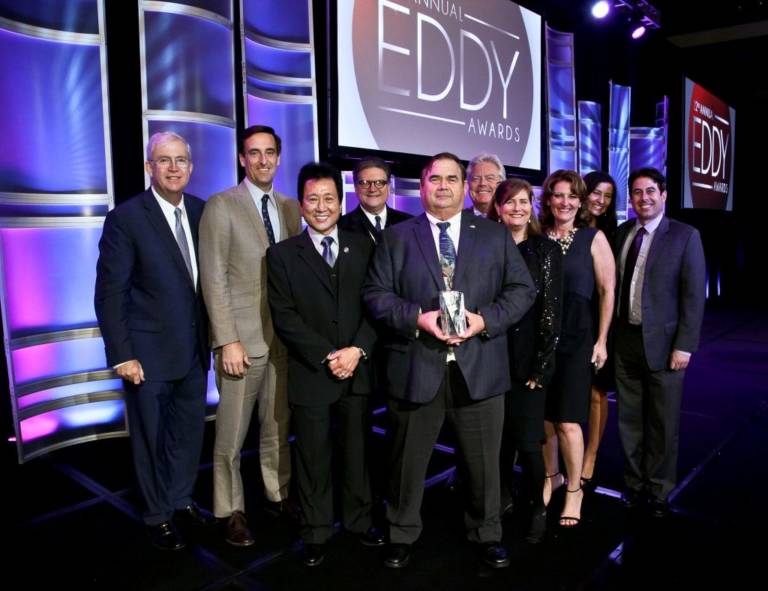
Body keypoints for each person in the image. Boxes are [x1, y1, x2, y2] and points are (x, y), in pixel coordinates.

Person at [364, 153, 536, 569]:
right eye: (435, 178)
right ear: (422, 186)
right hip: (417, 365)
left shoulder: (495, 236)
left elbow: (522, 290)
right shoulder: (397, 236)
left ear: (465, 186)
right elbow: (376, 295)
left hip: (479, 366)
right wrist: (417, 319)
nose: (443, 186)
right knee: (406, 462)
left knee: (484, 465)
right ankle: (401, 533)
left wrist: (484, 321)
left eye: (452, 179)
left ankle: (487, 533)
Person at [95, 131, 213, 550]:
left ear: (191, 167)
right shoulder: (126, 218)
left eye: (181, 160)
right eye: (164, 160)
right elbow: (111, 293)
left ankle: (180, 500)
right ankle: (157, 515)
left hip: (195, 353)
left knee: (188, 437)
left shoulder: (202, 212)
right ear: (150, 167)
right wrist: (122, 354)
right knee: (149, 441)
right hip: (146, 356)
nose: (174, 167)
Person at [267, 162, 383, 567]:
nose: (321, 207)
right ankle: (316, 530)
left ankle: (358, 521)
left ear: (341, 201)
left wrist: (356, 351)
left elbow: (376, 308)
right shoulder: (281, 255)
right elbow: (284, 317)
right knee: (312, 456)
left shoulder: (364, 246)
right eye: (313, 199)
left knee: (357, 451)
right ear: (301, 205)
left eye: (329, 199)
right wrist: (328, 355)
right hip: (311, 371)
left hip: (358, 368)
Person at [199, 125, 301, 546]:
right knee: (231, 432)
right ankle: (230, 510)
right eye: (254, 153)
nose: (262, 160)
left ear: (279, 157)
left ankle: (277, 496)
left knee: (278, 425)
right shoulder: (222, 205)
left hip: (284, 340)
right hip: (241, 341)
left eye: (270, 152)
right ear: (243, 159)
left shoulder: (292, 208)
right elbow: (213, 277)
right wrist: (226, 340)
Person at [615, 167, 706, 517]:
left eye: (650, 191)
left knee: (663, 423)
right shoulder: (623, 232)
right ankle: (634, 485)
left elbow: (694, 296)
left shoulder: (685, 236)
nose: (644, 198)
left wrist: (685, 345)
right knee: (629, 421)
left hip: (667, 346)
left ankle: (659, 489)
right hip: (626, 341)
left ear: (663, 194)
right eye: (637, 192)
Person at [538, 170, 615, 528]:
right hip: (541, 341)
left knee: (568, 419)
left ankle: (574, 490)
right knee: (545, 419)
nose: (565, 202)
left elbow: (607, 291)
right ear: (549, 199)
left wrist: (601, 340)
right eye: (558, 195)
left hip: (579, 340)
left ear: (581, 202)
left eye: (572, 196)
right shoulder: (539, 236)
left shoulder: (593, 237)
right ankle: (550, 476)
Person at [488, 179, 563, 543]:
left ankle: (538, 506)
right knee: (497, 441)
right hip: (489, 358)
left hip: (529, 362)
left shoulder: (545, 250)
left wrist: (542, 365)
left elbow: (551, 312)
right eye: (509, 202)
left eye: (524, 201)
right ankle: (502, 502)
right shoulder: (485, 245)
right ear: (497, 207)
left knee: (529, 442)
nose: (517, 208)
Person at [581, 171, 619, 492]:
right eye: (596, 192)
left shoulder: (614, 234)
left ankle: (590, 456)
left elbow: (609, 289)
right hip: (570, 320)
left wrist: (603, 337)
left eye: (607, 196)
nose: (600, 200)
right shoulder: (566, 226)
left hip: (601, 322)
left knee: (596, 392)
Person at [338, 156, 411, 244]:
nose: (372, 189)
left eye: (379, 182)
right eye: (365, 183)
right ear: (355, 188)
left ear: (388, 187)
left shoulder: (409, 224)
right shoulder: (340, 227)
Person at [466, 153, 505, 217]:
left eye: (490, 178)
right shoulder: (457, 220)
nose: (482, 183)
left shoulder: (511, 220)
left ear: (501, 184)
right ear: (468, 184)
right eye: (476, 179)